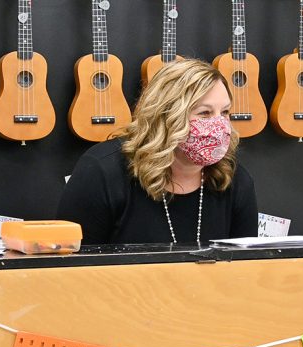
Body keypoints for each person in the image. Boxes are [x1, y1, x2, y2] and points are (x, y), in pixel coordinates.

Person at [57, 59, 258, 244]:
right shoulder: (103, 171)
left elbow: (247, 265)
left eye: (225, 112)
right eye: (204, 113)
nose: (220, 124)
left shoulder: (232, 178)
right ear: (166, 116)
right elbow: (70, 261)